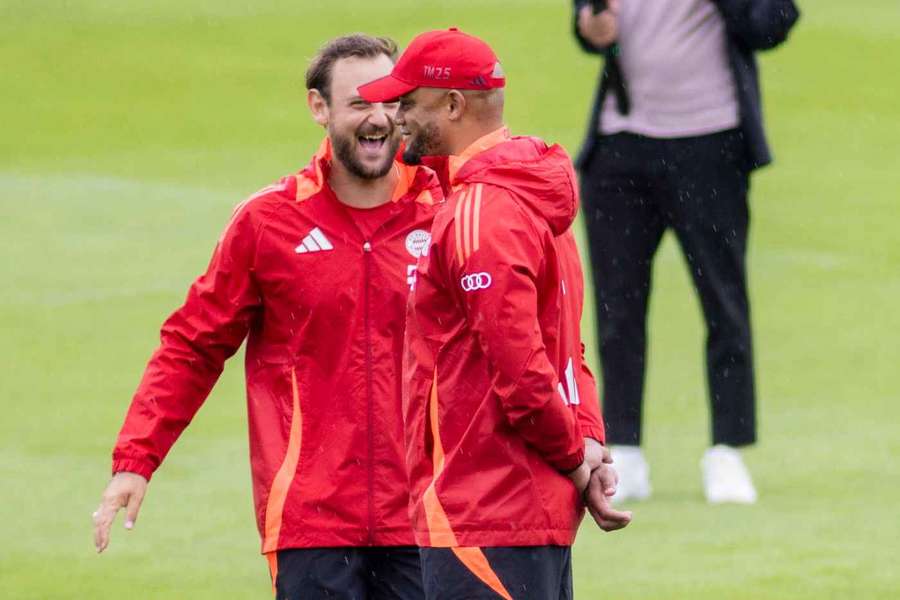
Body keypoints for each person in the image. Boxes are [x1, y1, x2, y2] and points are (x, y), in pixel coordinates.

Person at [92, 34, 442, 599]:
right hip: (312, 521)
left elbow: (516, 336)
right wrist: (136, 459)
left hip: (428, 517)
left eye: (389, 102)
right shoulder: (267, 223)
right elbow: (193, 346)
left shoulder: (448, 214)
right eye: (359, 103)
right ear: (319, 108)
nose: (378, 119)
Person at [359, 28, 631, 600]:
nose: (395, 116)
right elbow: (567, 353)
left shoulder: (479, 210)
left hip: (483, 510)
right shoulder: (535, 197)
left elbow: (524, 373)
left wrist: (580, 462)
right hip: (527, 515)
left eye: (408, 101)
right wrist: (589, 444)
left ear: (453, 105)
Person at [573, 0, 800, 503]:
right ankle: (625, 449)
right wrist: (590, 28)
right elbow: (587, 22)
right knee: (617, 309)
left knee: (723, 302)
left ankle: (727, 449)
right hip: (620, 149)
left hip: (710, 145)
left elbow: (771, 24)